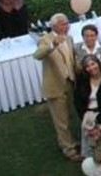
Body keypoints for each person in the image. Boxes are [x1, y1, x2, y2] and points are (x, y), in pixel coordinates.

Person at [34, 14, 79, 160]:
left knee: (70, 115)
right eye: (63, 24)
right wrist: (53, 45)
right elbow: (38, 55)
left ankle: (69, 141)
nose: (66, 27)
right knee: (61, 120)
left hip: (70, 82)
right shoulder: (45, 39)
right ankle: (69, 149)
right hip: (55, 85)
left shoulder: (70, 38)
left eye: (67, 24)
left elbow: (71, 60)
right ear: (54, 26)